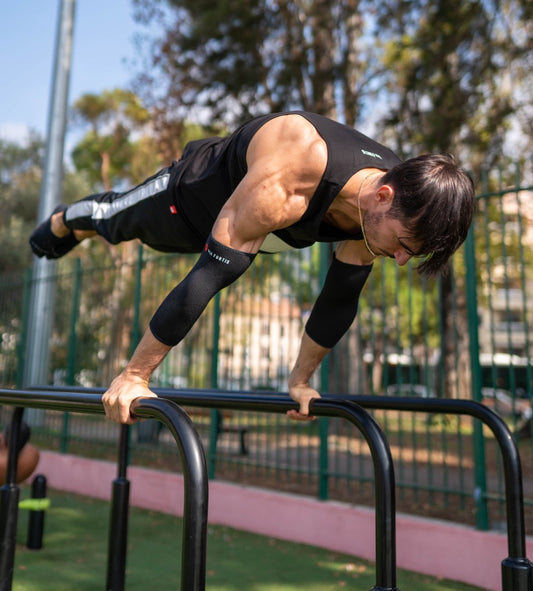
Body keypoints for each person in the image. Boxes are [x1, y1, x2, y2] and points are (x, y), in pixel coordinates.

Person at [29, 111, 475, 425]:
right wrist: (134, 376)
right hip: (186, 202)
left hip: (251, 228)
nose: (399, 260)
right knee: (113, 223)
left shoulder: (386, 207)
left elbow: (340, 296)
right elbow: (212, 274)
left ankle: (79, 225)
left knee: (346, 268)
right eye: (402, 246)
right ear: (383, 197)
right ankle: (66, 220)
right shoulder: (298, 165)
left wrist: (300, 382)